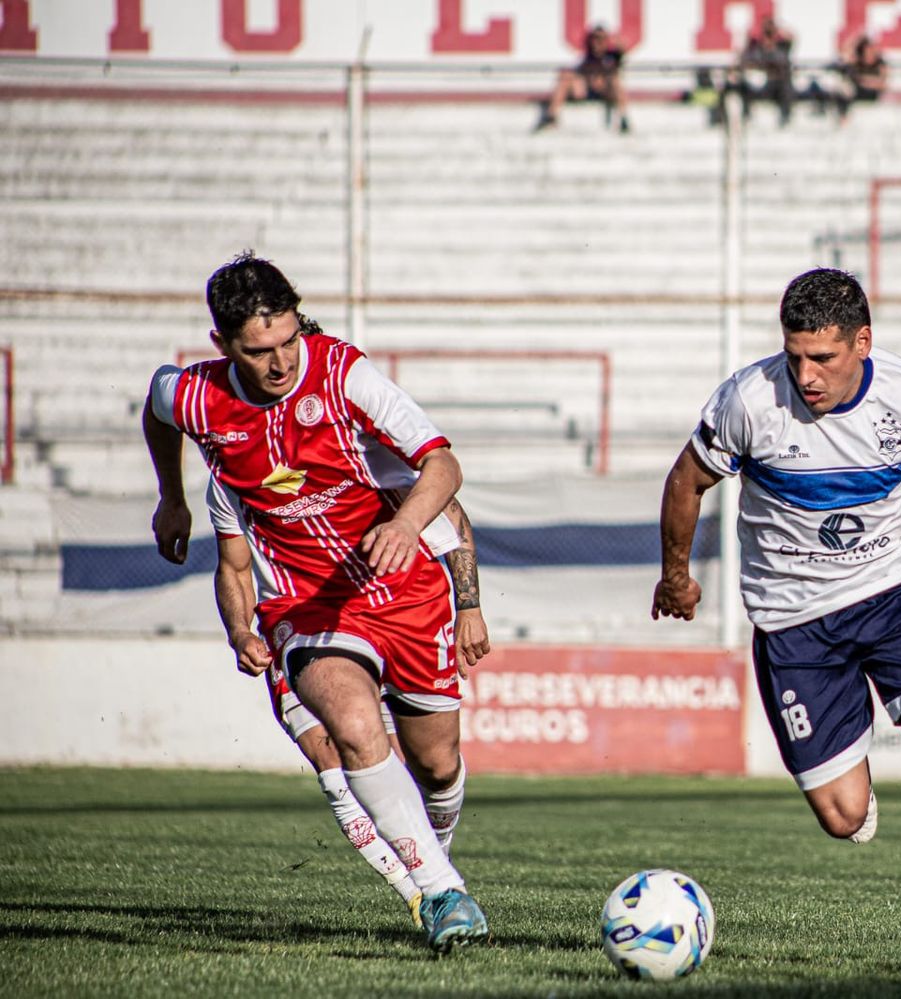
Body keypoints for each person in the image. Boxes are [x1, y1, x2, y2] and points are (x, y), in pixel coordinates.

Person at [651, 268, 901, 981]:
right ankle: (852, 779)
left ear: (862, 342)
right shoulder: (749, 400)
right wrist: (677, 576)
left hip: (895, 592)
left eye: (823, 358)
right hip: (795, 619)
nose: (805, 374)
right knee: (842, 814)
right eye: (795, 354)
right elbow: (687, 480)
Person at [142, 252, 490, 951]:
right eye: (258, 351)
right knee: (356, 726)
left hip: (406, 591)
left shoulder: (343, 374)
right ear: (223, 345)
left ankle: (432, 852)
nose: (278, 363)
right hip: (308, 605)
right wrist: (172, 498)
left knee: (439, 764)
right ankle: (441, 892)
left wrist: (402, 524)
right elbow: (156, 410)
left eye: (288, 342)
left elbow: (443, 465)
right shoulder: (195, 396)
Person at [171, 491, 489, 929]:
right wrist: (240, 632)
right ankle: (421, 896)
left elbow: (448, 506)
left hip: (397, 609)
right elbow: (234, 564)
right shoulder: (230, 461)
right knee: (333, 751)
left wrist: (468, 605)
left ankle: (436, 859)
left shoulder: (357, 433)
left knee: (432, 764)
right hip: (302, 621)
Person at [534, 25, 629, 134]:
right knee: (565, 75)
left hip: (605, 91)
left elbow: (622, 52)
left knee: (614, 79)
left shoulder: (612, 57)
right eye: (595, 38)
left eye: (601, 39)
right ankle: (551, 116)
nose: (597, 42)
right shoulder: (587, 57)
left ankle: (623, 117)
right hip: (586, 89)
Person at [732, 14, 796, 126]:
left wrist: (780, 27)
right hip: (760, 86)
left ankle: (785, 117)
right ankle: (745, 116)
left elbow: (791, 37)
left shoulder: (782, 46)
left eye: (771, 27)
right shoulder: (755, 47)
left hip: (777, 87)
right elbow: (743, 60)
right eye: (766, 27)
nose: (768, 31)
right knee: (741, 84)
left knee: (785, 84)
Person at [832, 34, 888, 123]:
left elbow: (883, 84)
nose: (870, 52)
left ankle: (843, 118)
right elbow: (844, 59)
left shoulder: (880, 62)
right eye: (867, 49)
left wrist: (865, 81)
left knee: (847, 89)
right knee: (843, 90)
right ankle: (842, 118)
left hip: (871, 94)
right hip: (857, 92)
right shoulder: (857, 62)